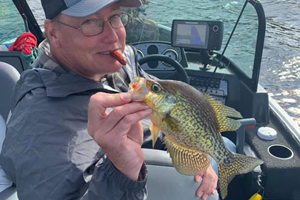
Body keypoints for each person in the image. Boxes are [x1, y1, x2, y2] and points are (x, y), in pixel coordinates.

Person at [0, 0, 219, 199]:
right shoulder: (39, 127)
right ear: (53, 34)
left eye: (114, 17)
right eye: (90, 22)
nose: (113, 37)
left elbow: (161, 104)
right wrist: (123, 170)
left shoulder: (116, 61)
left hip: (164, 146)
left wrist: (196, 151)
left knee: (223, 146)